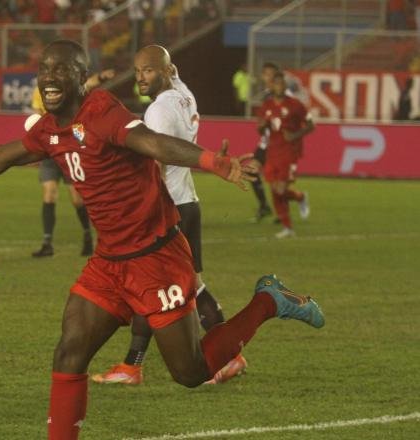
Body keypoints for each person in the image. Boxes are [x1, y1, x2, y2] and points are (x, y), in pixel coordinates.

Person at [0, 40, 325, 439]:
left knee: (191, 372)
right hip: (109, 263)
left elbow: (152, 142)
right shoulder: (52, 128)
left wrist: (213, 162)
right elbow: (1, 156)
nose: (49, 77)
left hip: (156, 257)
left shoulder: (102, 111)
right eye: (43, 70)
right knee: (68, 354)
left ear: (81, 76)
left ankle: (268, 301)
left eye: (60, 69)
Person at [91, 45, 246, 386]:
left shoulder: (158, 111)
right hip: (186, 200)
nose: (140, 78)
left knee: (161, 287)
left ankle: (223, 355)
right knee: (174, 286)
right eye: (137, 72)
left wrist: (135, 203)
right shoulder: (183, 94)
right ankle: (136, 365)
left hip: (167, 208)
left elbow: (155, 161)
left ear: (164, 70)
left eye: (147, 71)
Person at [30, 69, 114, 258]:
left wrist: (100, 77)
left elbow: (87, 86)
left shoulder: (70, 91)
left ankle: (87, 236)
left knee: (77, 199)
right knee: (49, 194)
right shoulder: (38, 92)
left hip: (69, 153)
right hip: (51, 153)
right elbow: (39, 119)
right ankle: (47, 243)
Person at [257, 71, 314, 239]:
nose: (279, 87)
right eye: (276, 84)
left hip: (289, 152)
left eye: (282, 84)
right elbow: (260, 128)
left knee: (280, 189)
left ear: (285, 86)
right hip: (272, 151)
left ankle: (300, 197)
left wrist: (295, 135)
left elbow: (311, 125)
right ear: (272, 86)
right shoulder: (266, 106)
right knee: (275, 190)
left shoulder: (296, 105)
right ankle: (288, 227)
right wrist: (262, 126)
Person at [248, 61, 279, 222]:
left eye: (271, 74)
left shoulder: (283, 96)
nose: (267, 77)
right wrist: (262, 125)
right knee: (251, 170)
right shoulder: (267, 95)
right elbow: (263, 121)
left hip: (279, 144)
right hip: (266, 142)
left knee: (278, 181)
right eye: (265, 74)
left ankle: (287, 208)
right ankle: (264, 206)